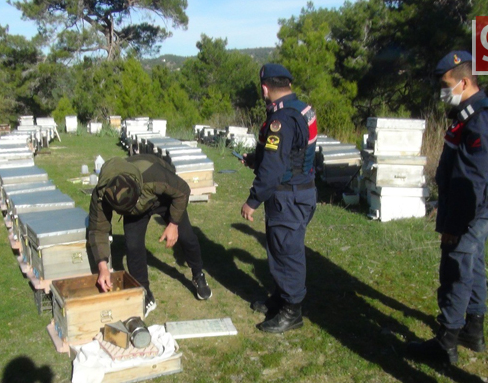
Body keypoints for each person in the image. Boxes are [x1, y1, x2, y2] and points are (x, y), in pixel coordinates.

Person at [408, 51, 488, 364]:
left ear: (464, 81)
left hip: (470, 210)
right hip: (468, 207)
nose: (442, 91)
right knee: (473, 264)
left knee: (456, 268)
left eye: (446, 84)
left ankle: (446, 341)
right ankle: (473, 330)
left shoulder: (481, 118)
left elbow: (472, 181)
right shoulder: (466, 114)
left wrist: (455, 225)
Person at [240, 63, 318, 334]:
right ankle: (280, 297)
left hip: (288, 196)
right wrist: (255, 159)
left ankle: (291, 310)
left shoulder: (281, 120)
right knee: (279, 249)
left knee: (288, 252)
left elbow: (274, 169)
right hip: (300, 189)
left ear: (265, 88)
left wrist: (252, 200)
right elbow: (294, 154)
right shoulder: (303, 109)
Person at [88, 154, 212, 317]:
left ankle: (198, 274)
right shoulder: (102, 195)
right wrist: (102, 266)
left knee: (187, 236)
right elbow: (98, 229)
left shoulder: (153, 174)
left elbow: (182, 190)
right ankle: (144, 292)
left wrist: (173, 224)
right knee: (133, 246)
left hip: (163, 199)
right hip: (137, 208)